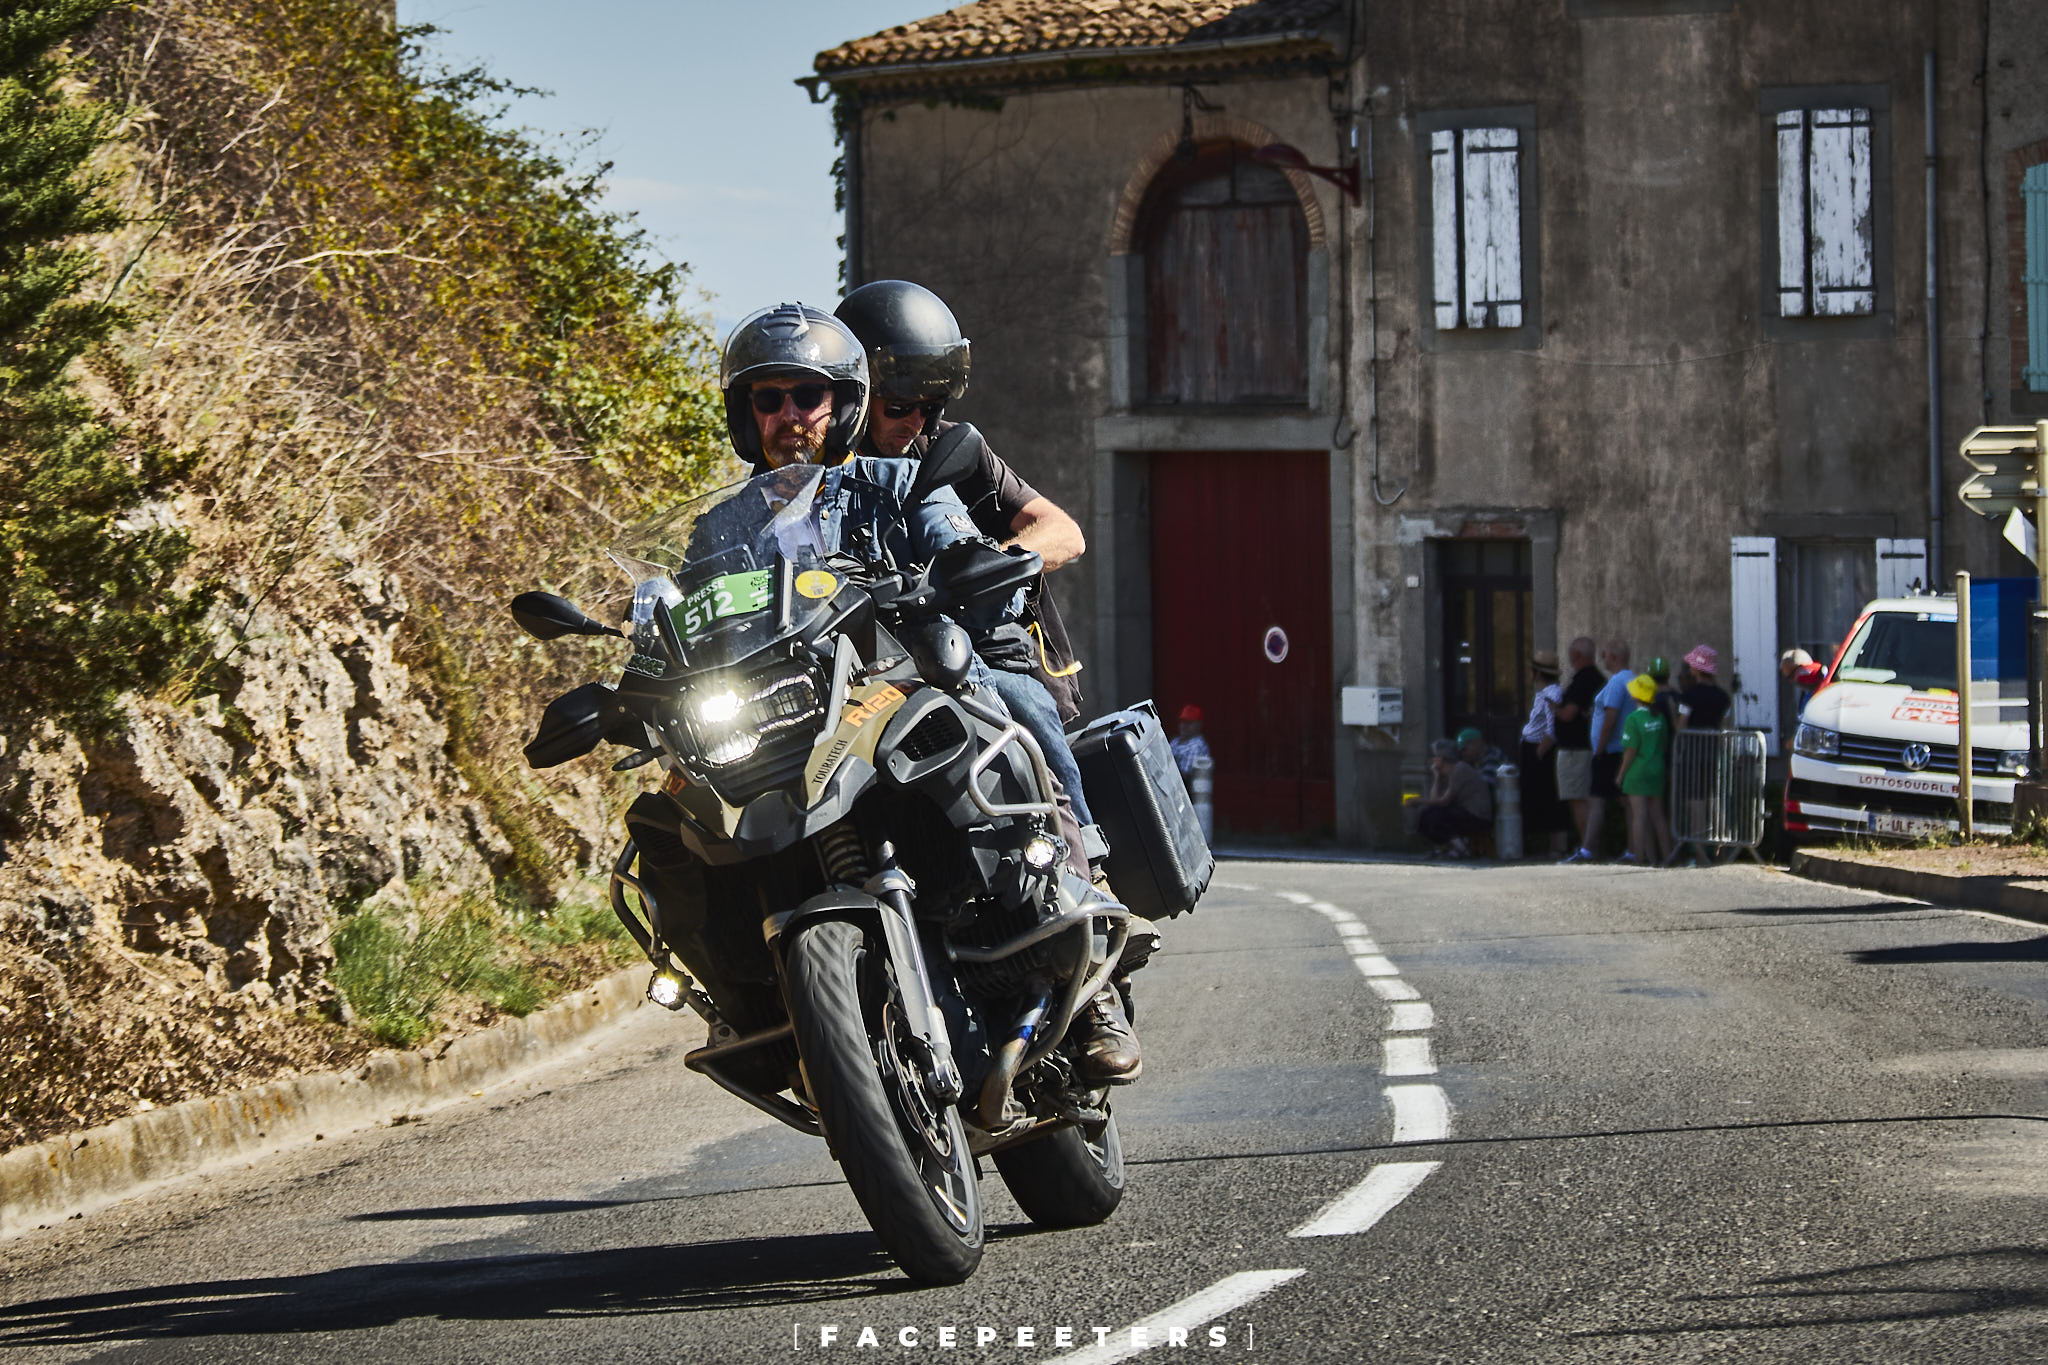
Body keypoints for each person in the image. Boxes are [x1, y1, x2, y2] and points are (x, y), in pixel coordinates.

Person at [710, 302, 1138, 1081]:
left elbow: (965, 537)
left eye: (804, 397)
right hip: (799, 716)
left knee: (1014, 708)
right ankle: (759, 999)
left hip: (904, 686)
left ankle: (1081, 914)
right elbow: (686, 613)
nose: (787, 417)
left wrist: (974, 564)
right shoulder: (722, 529)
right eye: (767, 400)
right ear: (746, 416)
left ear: (839, 404)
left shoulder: (900, 483)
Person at [834, 281, 1141, 1082]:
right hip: (859, 683)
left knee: (1018, 706)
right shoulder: (804, 479)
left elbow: (1061, 528)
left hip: (970, 655)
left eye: (931, 405)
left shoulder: (945, 460)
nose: (918, 423)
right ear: (857, 392)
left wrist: (1003, 561)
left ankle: (1087, 901)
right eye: (902, 404)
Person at [1567, 639, 1637, 864]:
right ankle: (1632, 849)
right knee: (1626, 801)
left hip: (1610, 750)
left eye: (1605, 654)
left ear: (1614, 657)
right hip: (1621, 749)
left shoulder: (1617, 682)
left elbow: (1611, 716)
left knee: (1596, 800)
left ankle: (1588, 850)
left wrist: (1599, 749)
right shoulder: (1632, 679)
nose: (1602, 658)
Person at [1554, 637, 1606, 864]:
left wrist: (1553, 707)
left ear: (1577, 656)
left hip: (1576, 749)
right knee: (1585, 798)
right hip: (1586, 747)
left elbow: (1568, 714)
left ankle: (1588, 848)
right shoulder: (1598, 678)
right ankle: (1589, 847)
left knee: (1578, 798)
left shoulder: (1583, 680)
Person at [1617, 671, 1673, 865]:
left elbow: (1630, 750)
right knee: (1658, 817)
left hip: (1637, 772)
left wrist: (1620, 775)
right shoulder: (1660, 718)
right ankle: (1666, 857)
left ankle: (1639, 858)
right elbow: (1665, 743)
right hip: (1657, 770)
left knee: (1638, 817)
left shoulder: (1633, 719)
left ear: (1636, 696)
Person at [1520, 650, 1567, 855]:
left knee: (1548, 797)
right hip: (1533, 748)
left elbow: (1552, 728)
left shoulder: (1551, 694)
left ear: (1537, 673)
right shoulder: (1544, 693)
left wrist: (1539, 752)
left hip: (1540, 751)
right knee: (1537, 797)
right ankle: (1545, 843)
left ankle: (1556, 845)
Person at [1418, 738, 1494, 857]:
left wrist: (1416, 800)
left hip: (1478, 817)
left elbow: (1443, 801)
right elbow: (1434, 799)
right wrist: (1437, 777)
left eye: (1435, 756)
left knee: (1434, 816)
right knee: (1426, 814)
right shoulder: (1445, 773)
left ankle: (1461, 849)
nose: (1433, 760)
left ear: (1442, 758)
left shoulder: (1460, 769)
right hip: (1464, 813)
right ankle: (1449, 847)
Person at [1676, 644, 1730, 731]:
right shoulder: (1724, 697)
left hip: (1692, 743)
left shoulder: (1688, 695)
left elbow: (1681, 726)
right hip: (1714, 743)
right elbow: (1725, 726)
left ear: (1696, 669)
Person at [1170, 703, 1211, 790]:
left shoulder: (1197, 745)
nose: (1184, 726)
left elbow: (1185, 777)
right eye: (1183, 722)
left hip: (1187, 793)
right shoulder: (1175, 741)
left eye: (1189, 723)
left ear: (1198, 725)